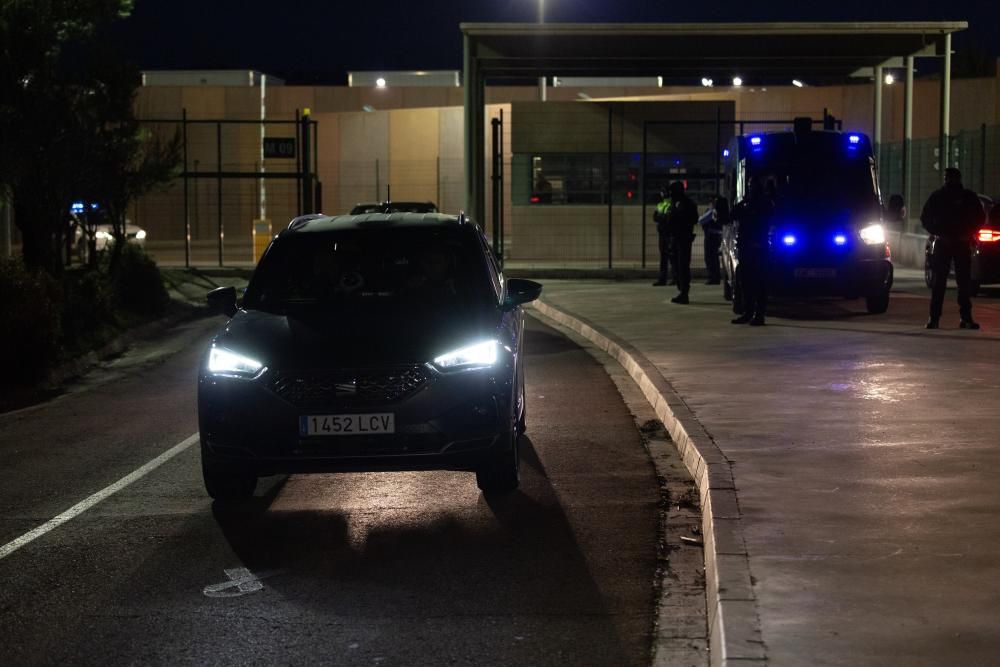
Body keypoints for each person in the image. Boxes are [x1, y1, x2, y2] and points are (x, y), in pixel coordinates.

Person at [920, 167, 985, 330]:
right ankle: (951, 318)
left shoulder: (951, 197)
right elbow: (925, 218)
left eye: (949, 178)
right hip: (950, 243)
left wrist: (941, 233)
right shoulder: (949, 197)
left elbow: (979, 218)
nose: (948, 181)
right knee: (949, 282)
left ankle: (942, 318)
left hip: (954, 243)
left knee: (953, 283)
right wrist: (941, 234)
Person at [730, 177, 774, 326]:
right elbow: (733, 215)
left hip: (759, 247)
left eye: (752, 186)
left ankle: (759, 314)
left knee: (760, 281)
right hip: (746, 246)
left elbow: (768, 221)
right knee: (746, 281)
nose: (750, 188)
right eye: (749, 186)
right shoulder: (746, 203)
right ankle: (748, 312)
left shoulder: (765, 204)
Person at [665, 181, 699, 304]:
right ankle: (681, 288)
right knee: (676, 265)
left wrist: (680, 221)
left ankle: (684, 292)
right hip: (675, 238)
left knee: (683, 266)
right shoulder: (675, 203)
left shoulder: (688, 204)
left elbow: (693, 219)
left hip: (683, 238)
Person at [699, 196, 728, 284]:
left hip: (711, 236)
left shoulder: (712, 211)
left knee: (710, 258)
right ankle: (715, 277)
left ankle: (713, 277)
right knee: (714, 258)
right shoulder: (720, 211)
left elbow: (701, 220)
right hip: (716, 236)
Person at [652, 187, 674, 286]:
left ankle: (669, 278)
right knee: (666, 257)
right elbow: (655, 217)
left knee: (670, 257)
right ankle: (665, 278)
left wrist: (661, 218)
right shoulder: (661, 205)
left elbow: (666, 218)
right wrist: (663, 218)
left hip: (668, 233)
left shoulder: (671, 204)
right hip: (663, 233)